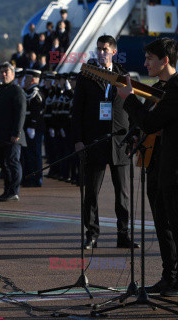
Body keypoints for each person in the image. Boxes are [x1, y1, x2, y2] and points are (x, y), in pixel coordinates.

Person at [117, 38, 178, 296]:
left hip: (172, 166)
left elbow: (153, 123)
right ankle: (170, 276)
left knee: (174, 223)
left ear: (165, 60)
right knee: (162, 224)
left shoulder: (175, 87)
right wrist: (133, 137)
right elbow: (145, 124)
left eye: (150, 58)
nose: (145, 63)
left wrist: (128, 99)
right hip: (155, 163)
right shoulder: (157, 88)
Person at [72, 35, 138, 250]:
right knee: (91, 192)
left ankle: (123, 235)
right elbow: (77, 112)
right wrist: (79, 140)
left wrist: (134, 136)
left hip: (120, 142)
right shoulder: (86, 76)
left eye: (105, 49)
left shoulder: (125, 76)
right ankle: (92, 234)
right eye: (98, 49)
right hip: (94, 142)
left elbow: (133, 109)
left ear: (114, 52)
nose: (101, 53)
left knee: (123, 194)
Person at [0, 62, 27, 201]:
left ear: (13, 74)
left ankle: (13, 191)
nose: (4, 74)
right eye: (2, 72)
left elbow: (20, 113)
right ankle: (7, 190)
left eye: (7, 71)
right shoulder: (1, 90)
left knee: (12, 162)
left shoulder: (16, 90)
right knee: (3, 164)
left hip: (12, 136)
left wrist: (16, 133)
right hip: (0, 136)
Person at [21, 69, 45, 187]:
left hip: (34, 129)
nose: (24, 80)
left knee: (34, 154)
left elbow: (36, 111)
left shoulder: (35, 93)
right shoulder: (28, 92)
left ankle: (35, 179)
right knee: (27, 154)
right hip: (27, 128)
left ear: (33, 80)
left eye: (27, 78)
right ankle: (28, 177)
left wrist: (32, 126)